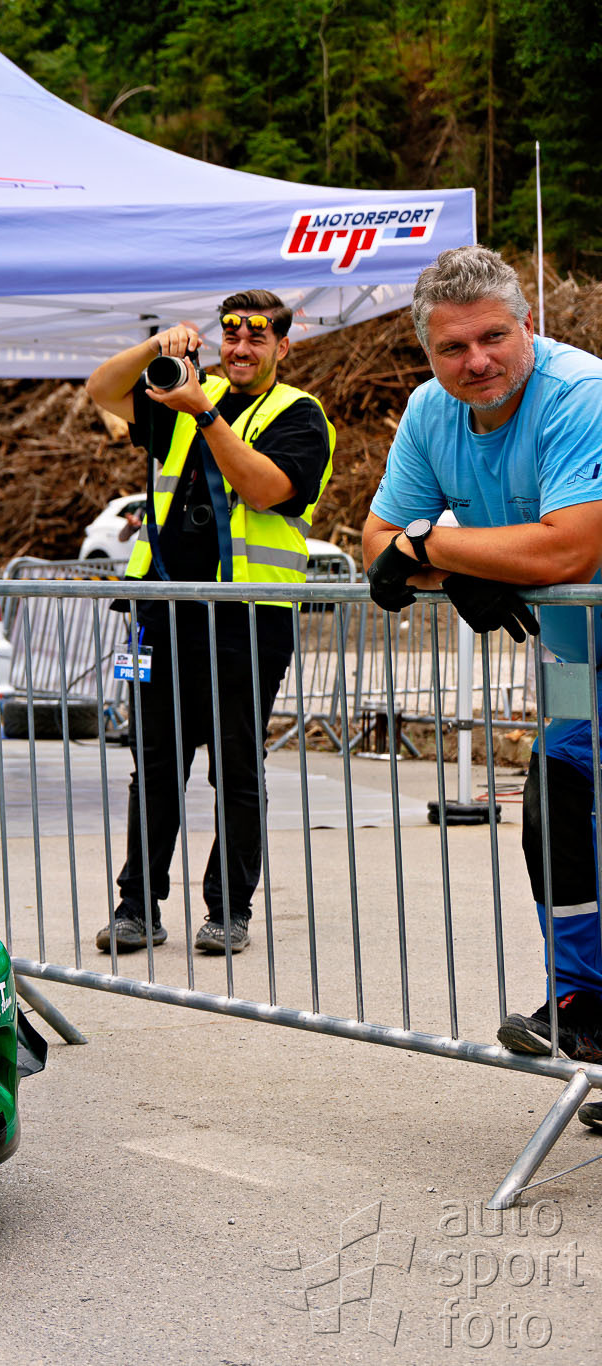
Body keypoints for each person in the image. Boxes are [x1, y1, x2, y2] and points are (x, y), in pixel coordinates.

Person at [362, 245, 602, 1061]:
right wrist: (460, 565)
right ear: (427, 352)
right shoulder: (431, 411)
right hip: (577, 666)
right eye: (453, 347)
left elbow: (569, 549)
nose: (477, 361)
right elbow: (378, 546)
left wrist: (437, 548)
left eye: (494, 336)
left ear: (528, 324)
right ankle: (584, 1007)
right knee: (555, 820)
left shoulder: (580, 394)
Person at [84, 290, 336, 955]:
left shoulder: (298, 414)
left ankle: (229, 911)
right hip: (161, 611)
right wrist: (156, 347)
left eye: (258, 337)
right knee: (155, 765)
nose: (241, 347)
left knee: (235, 768)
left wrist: (205, 412)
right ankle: (137, 907)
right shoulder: (183, 393)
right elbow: (101, 389)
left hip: (245, 619)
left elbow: (265, 489)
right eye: (231, 335)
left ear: (283, 347)